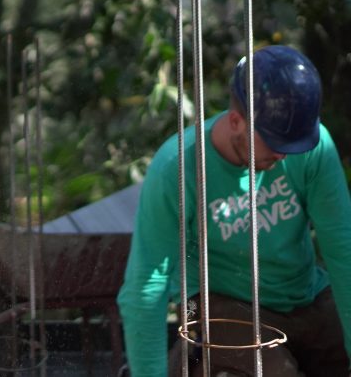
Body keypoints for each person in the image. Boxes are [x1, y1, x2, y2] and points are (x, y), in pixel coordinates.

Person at [117, 45, 351, 376]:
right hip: (211, 301)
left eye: (294, 143)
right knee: (276, 373)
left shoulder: (314, 149)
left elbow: (344, 249)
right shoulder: (178, 168)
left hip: (303, 294)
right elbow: (145, 286)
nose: (285, 155)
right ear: (236, 121)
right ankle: (190, 360)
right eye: (275, 142)